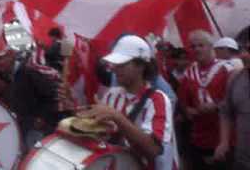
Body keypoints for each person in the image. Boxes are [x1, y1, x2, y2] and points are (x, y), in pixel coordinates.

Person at [86, 35, 177, 170]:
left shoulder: (158, 100)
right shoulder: (112, 94)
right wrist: (72, 107)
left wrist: (116, 116)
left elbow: (154, 150)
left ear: (140, 66)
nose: (115, 69)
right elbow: (101, 133)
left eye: (122, 65)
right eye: (115, 64)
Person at [178, 30, 230, 170]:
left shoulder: (227, 70)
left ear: (211, 46)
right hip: (199, 139)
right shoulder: (189, 73)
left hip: (224, 138)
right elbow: (183, 103)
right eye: (193, 46)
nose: (196, 49)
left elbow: (236, 101)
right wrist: (188, 111)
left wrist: (217, 106)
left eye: (201, 45)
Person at [215, 51, 250, 169]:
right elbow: (226, 111)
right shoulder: (236, 77)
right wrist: (224, 142)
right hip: (242, 159)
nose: (243, 55)